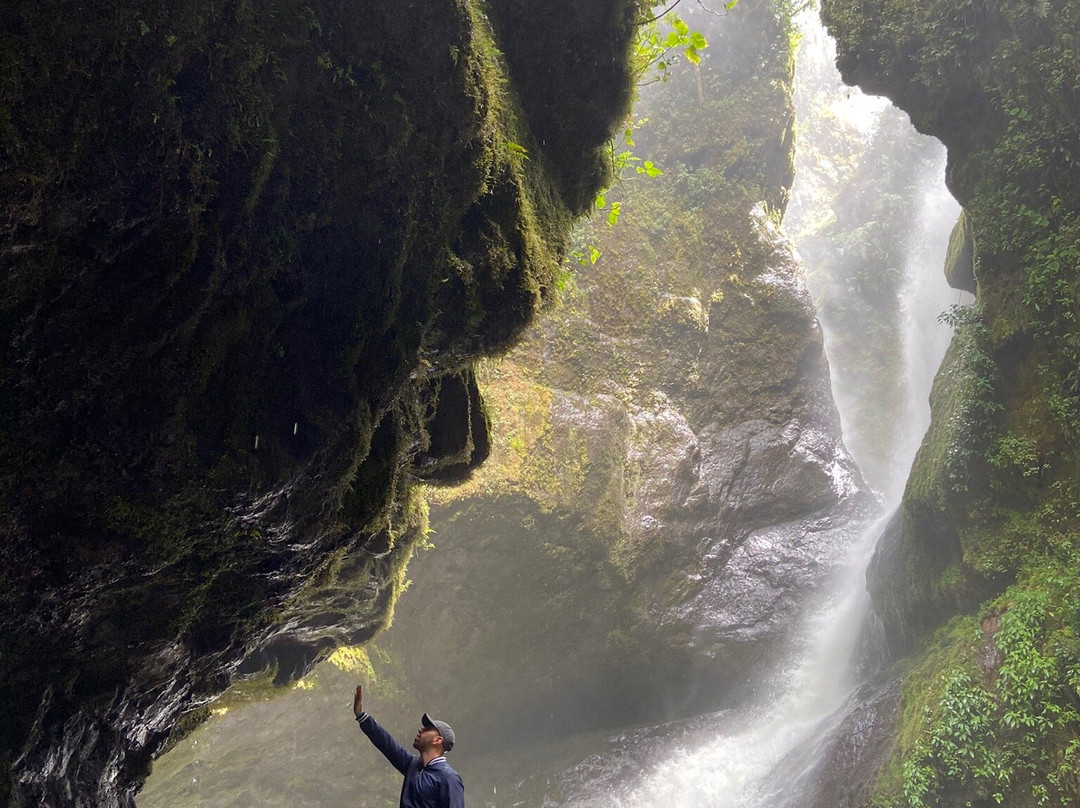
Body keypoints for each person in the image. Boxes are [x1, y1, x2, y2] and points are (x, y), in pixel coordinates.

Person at [353, 684, 465, 808]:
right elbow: (387, 744)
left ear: (437, 740)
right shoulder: (413, 765)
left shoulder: (448, 778)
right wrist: (361, 715)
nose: (420, 729)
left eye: (427, 729)